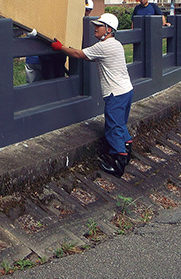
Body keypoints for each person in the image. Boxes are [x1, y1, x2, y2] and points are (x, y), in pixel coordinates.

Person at [51, 13, 133, 177]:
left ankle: (119, 164)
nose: (95, 28)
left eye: (99, 26)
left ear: (108, 29)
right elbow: (90, 57)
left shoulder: (104, 46)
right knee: (120, 123)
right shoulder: (115, 44)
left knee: (113, 126)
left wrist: (60, 48)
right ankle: (127, 147)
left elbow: (78, 55)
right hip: (126, 90)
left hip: (115, 93)